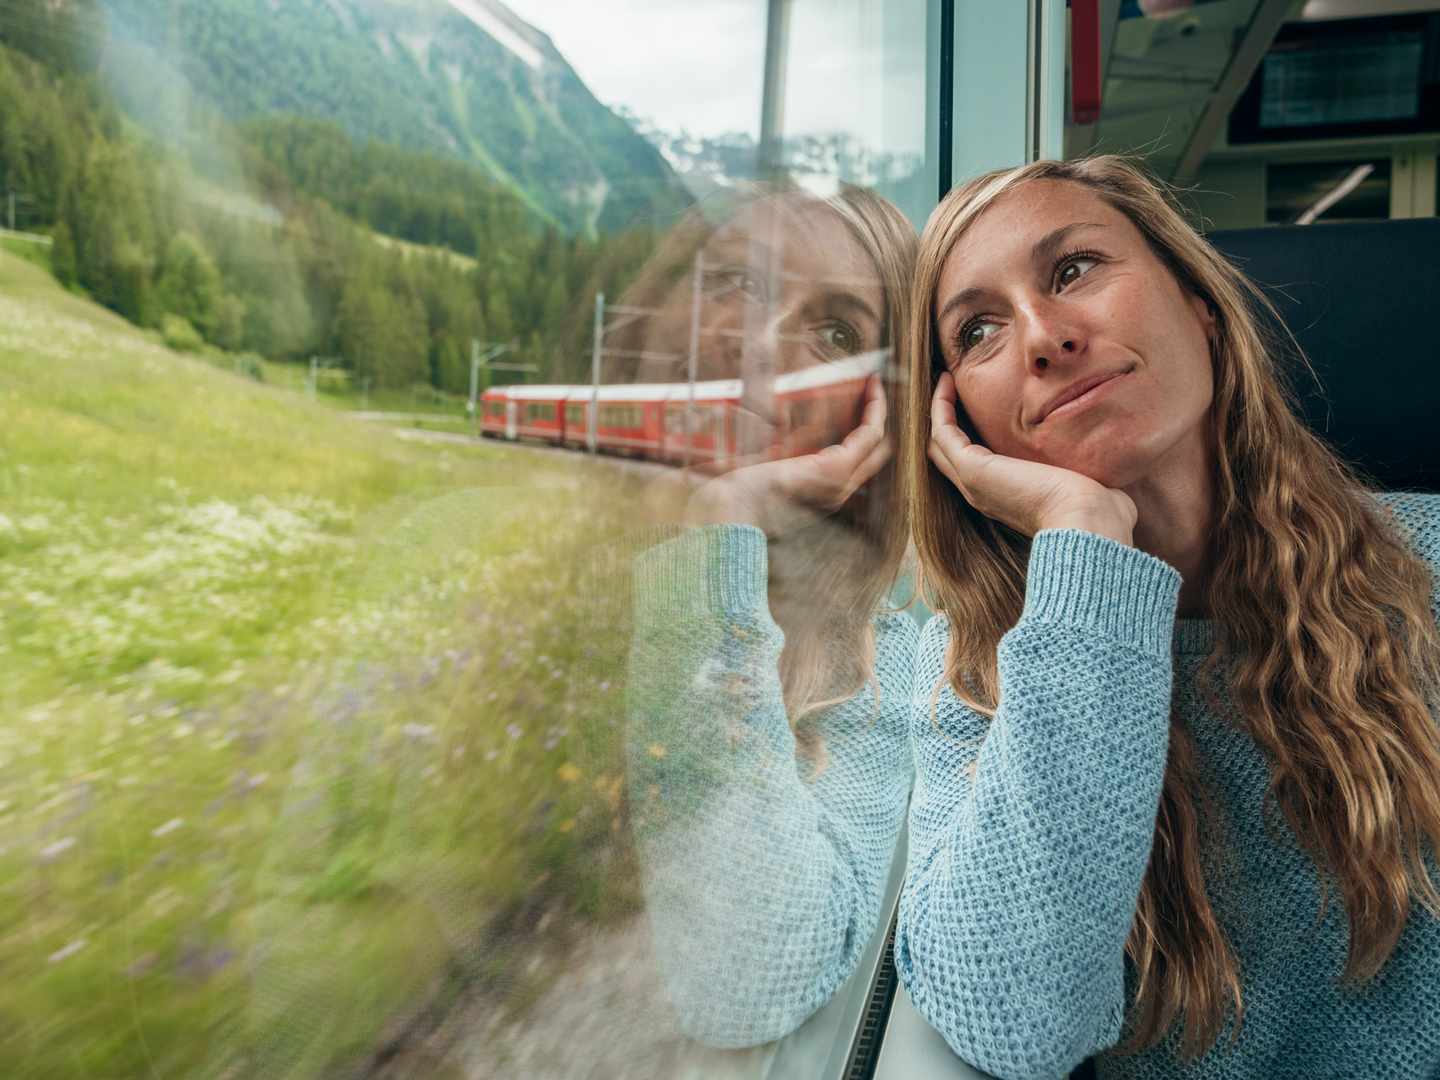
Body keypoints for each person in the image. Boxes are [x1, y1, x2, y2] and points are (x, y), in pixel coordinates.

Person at [894, 155, 1440, 1079]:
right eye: (979, 331)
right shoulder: (972, 677)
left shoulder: (1426, 568)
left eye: (1072, 270)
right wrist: (1085, 540)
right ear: (968, 429)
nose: (1042, 337)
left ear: (1201, 308)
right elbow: (1016, 1022)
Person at [620, 183, 920, 1048]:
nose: (756, 345)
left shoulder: (881, 667)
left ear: (877, 413)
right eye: (737, 285)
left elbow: (746, 984)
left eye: (835, 333)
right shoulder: (519, 560)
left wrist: (725, 516)